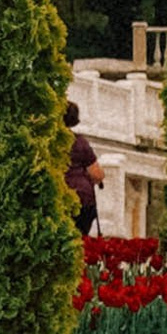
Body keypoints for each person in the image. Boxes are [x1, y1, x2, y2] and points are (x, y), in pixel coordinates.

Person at [60, 96, 104, 238]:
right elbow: (97, 174)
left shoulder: (50, 141)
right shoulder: (80, 142)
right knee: (80, 239)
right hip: (83, 200)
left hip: (60, 199)